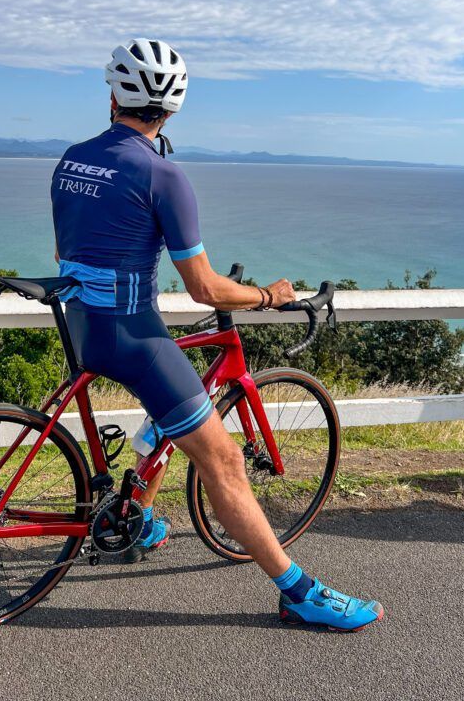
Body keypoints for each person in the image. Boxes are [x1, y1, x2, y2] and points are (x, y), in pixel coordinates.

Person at [49, 38, 382, 631]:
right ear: (172, 108)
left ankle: (139, 516)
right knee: (225, 460)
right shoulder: (162, 174)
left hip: (84, 326)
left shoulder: (72, 159)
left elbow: (66, 250)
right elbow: (204, 289)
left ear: (112, 95)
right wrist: (268, 296)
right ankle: (298, 591)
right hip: (132, 335)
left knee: (168, 410)